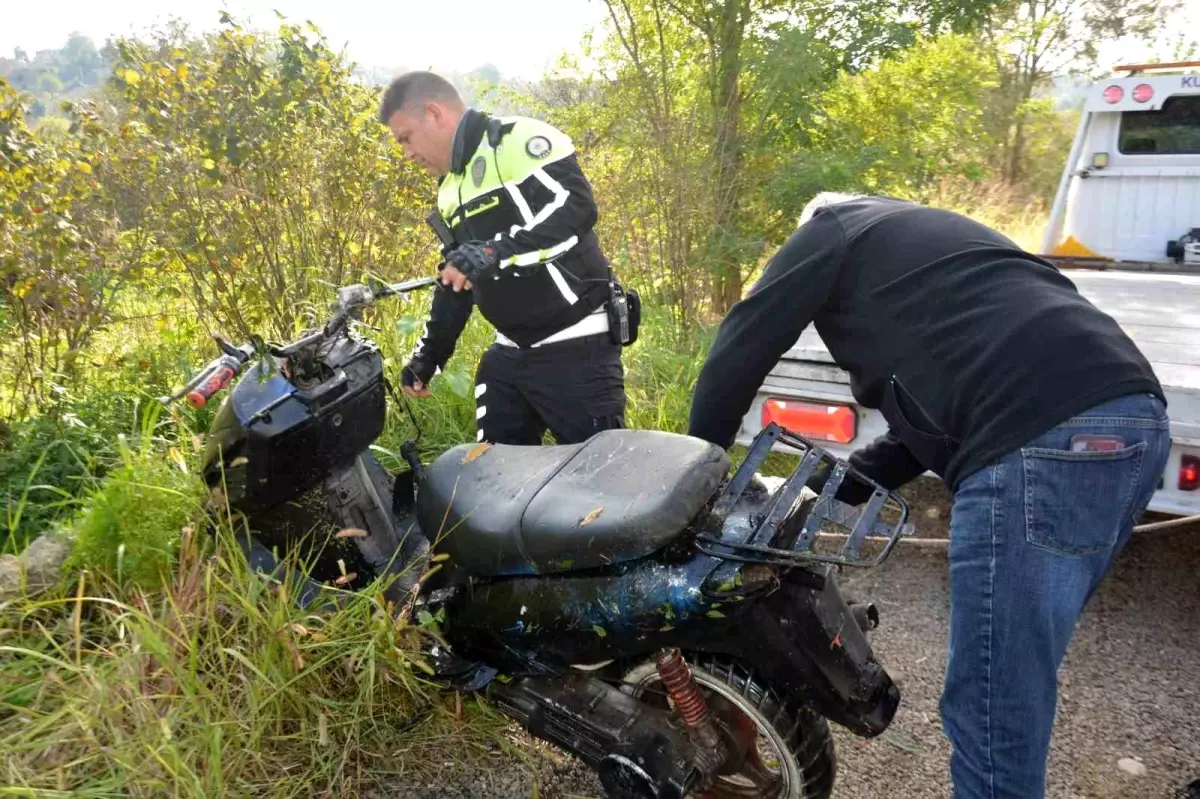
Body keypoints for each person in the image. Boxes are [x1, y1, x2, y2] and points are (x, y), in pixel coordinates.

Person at [686, 193, 1171, 799]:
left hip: (1036, 439)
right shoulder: (935, 245)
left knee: (993, 707)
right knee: (1018, 674)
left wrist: (693, 474)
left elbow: (744, 340)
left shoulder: (830, 227)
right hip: (1136, 424)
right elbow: (921, 433)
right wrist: (816, 489)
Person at [378, 71, 626, 445]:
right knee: (493, 483)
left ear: (433, 112)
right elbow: (459, 276)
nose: (407, 153)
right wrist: (429, 356)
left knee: (603, 487)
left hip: (577, 346)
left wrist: (493, 252)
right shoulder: (448, 191)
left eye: (406, 138)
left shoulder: (516, 139)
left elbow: (577, 208)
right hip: (509, 354)